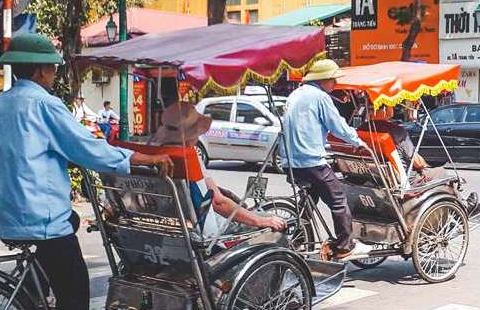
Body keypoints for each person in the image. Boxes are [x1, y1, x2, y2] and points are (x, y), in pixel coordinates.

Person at [0, 33, 173, 310]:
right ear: (39, 69)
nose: (53, 73)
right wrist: (140, 160)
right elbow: (86, 149)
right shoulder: (44, 105)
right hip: (37, 213)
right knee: (76, 287)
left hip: (2, 209)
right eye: (51, 67)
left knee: (68, 231)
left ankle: (38, 305)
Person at [147, 102, 287, 236]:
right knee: (271, 219)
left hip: (169, 225)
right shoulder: (188, 157)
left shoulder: (153, 155)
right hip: (205, 230)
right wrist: (260, 220)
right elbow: (218, 202)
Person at [280, 59, 373, 261]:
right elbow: (337, 125)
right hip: (310, 161)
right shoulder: (320, 97)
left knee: (308, 202)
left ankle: (296, 239)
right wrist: (357, 141)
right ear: (323, 80)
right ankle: (345, 246)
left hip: (291, 162)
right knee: (338, 199)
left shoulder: (296, 94)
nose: (335, 84)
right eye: (333, 80)